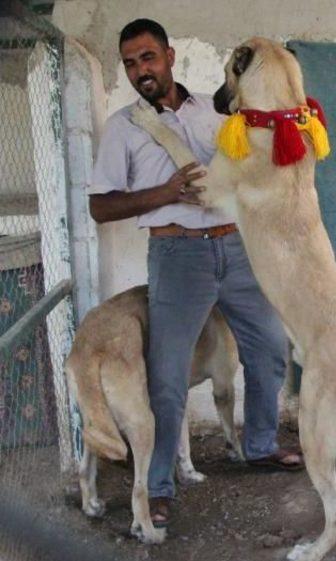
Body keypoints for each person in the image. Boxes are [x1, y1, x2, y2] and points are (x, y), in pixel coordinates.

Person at [88, 18, 303, 528]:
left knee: (270, 349)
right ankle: (159, 486)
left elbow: (249, 165)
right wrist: (165, 193)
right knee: (166, 377)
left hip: (237, 246)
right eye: (131, 63)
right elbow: (100, 207)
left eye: (148, 57)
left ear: (169, 56)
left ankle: (260, 445)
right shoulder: (123, 127)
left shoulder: (215, 109)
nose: (141, 70)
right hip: (177, 256)